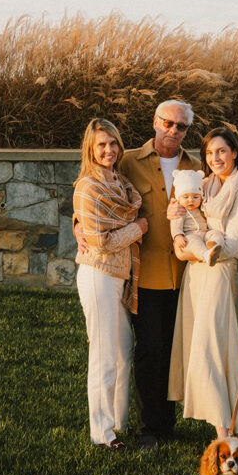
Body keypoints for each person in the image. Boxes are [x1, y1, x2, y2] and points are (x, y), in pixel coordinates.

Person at [75, 100, 201, 451]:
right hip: (143, 273)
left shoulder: (197, 166)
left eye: (181, 127)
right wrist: (78, 226)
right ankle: (147, 428)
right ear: (155, 122)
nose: (173, 131)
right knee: (149, 349)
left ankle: (166, 423)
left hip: (185, 273)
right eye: (167, 123)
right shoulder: (129, 159)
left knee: (173, 351)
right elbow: (90, 196)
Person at [167, 127, 238, 439]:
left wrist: (195, 253)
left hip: (219, 271)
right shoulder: (203, 186)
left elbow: (231, 245)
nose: (215, 157)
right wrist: (178, 231)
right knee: (197, 343)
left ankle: (225, 429)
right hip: (197, 273)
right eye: (209, 153)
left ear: (235, 152)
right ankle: (216, 423)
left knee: (214, 346)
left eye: (221, 151)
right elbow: (180, 214)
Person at [73, 118, 148, 452]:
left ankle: (118, 421)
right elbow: (100, 242)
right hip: (98, 275)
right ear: (91, 147)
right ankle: (102, 435)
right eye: (102, 144)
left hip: (118, 277)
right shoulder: (89, 186)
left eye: (114, 144)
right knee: (103, 356)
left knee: (123, 351)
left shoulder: (119, 180)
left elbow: (96, 225)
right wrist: (138, 229)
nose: (109, 150)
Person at [169, 167, 223, 265]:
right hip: (190, 235)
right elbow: (175, 224)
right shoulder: (180, 209)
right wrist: (178, 236)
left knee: (215, 233)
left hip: (204, 233)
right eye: (185, 197)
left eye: (195, 197)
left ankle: (215, 245)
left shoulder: (201, 207)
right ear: (178, 197)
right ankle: (206, 255)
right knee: (194, 243)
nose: (191, 200)